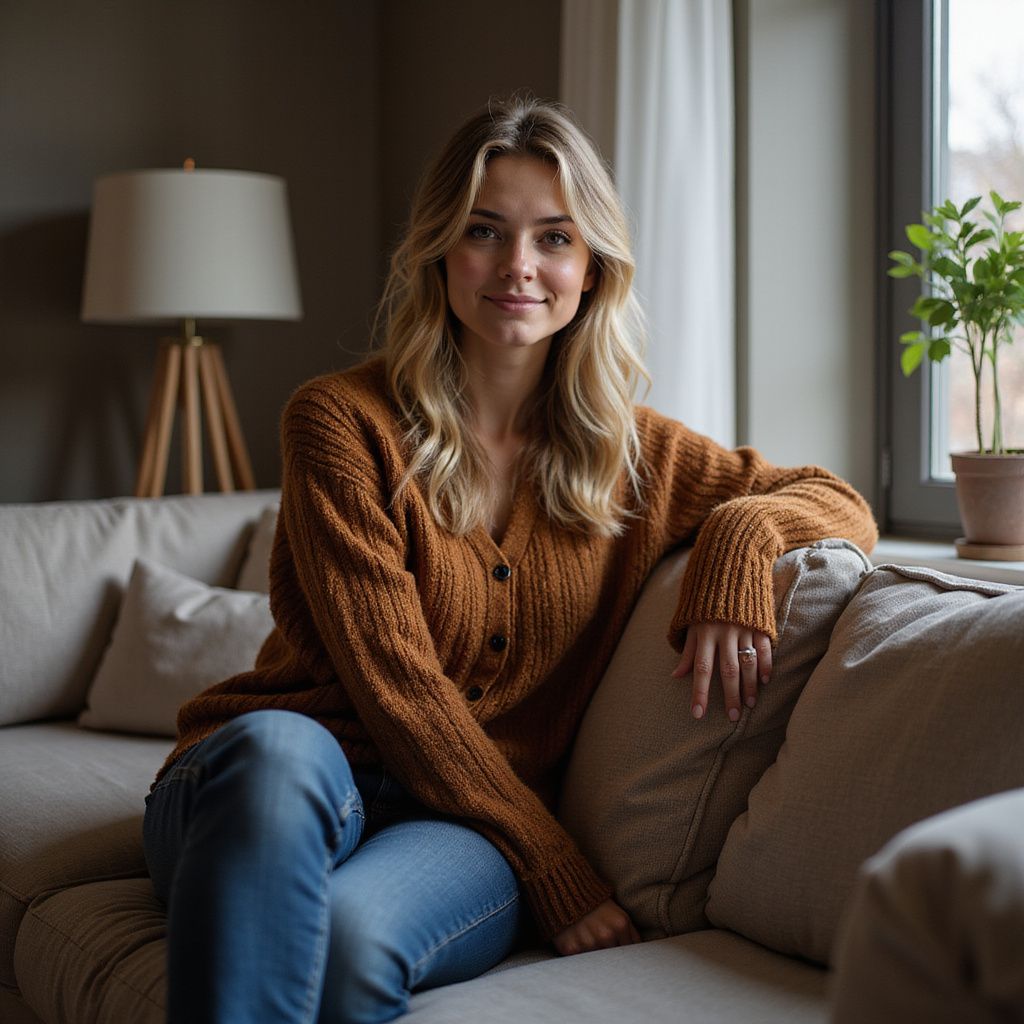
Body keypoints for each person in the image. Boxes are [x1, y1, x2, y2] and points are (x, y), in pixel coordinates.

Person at [143, 94, 877, 1024]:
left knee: (352, 945)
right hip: (266, 788)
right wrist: (555, 864)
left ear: (592, 266)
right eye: (486, 231)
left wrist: (741, 537)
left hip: (457, 828)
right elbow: (394, 683)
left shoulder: (638, 458)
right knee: (279, 757)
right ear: (441, 249)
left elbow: (836, 499)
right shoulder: (340, 422)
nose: (519, 268)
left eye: (554, 238)